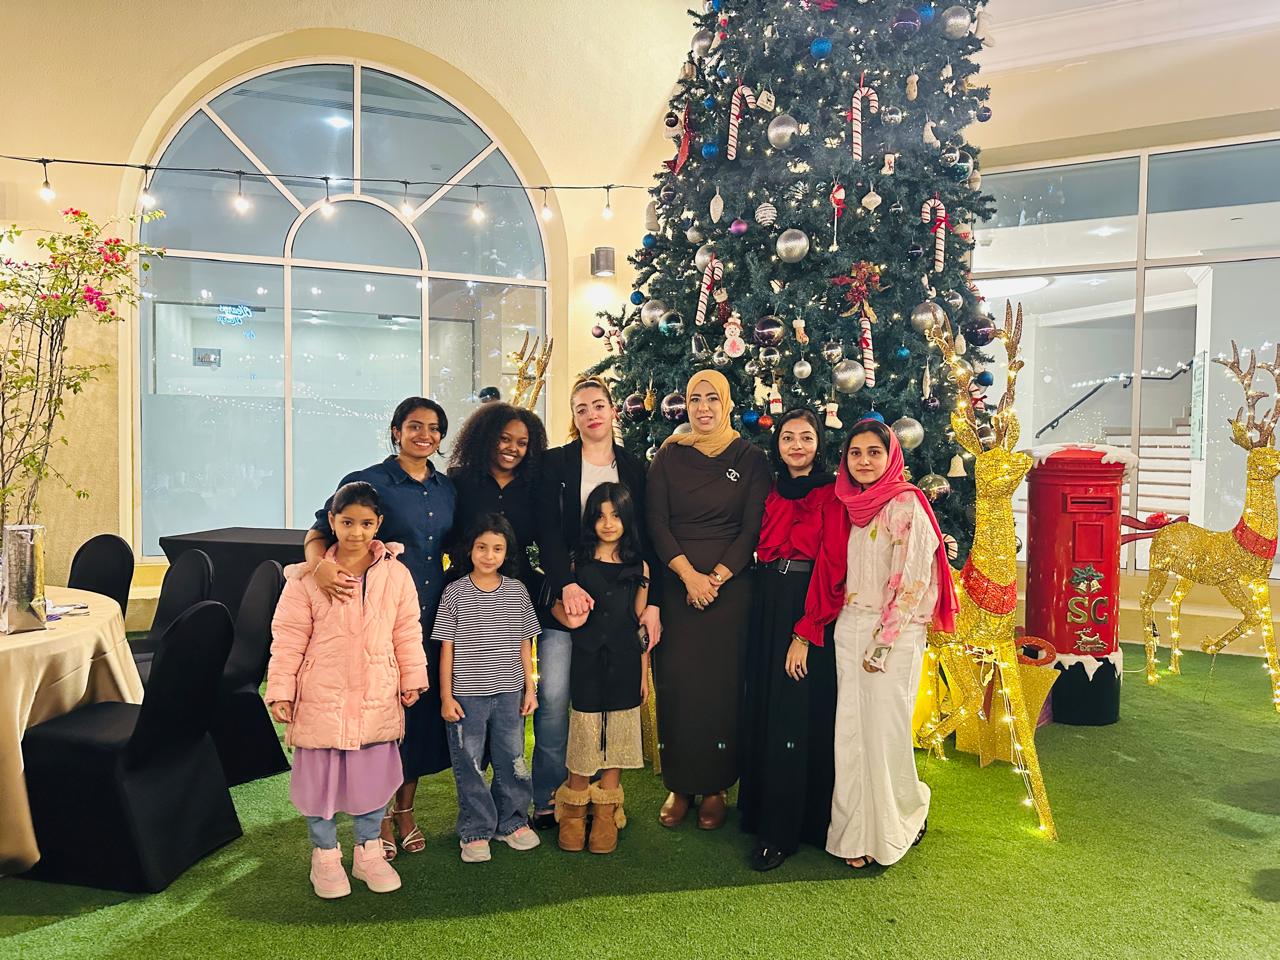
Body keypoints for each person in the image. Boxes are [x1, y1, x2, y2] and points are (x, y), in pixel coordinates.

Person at [795, 418, 959, 869]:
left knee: (885, 733)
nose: (864, 461)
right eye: (855, 453)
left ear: (891, 458)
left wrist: (883, 643)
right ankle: (854, 835)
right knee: (850, 733)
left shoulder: (906, 504)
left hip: (894, 634)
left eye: (874, 452)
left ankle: (896, 824)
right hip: (849, 627)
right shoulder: (849, 505)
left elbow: (912, 581)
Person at [302, 397, 455, 860]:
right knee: (381, 720)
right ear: (395, 431)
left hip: (431, 615)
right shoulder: (368, 481)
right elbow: (319, 531)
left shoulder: (446, 488)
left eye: (434, 428)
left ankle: (405, 810)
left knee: (418, 716)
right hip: (376, 619)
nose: (424, 435)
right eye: (414, 426)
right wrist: (318, 568)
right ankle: (377, 817)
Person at [267, 482, 428, 899]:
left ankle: (368, 852)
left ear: (379, 524)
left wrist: (412, 677)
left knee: (372, 780)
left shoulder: (395, 574)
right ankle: (325, 856)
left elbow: (407, 631)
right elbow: (288, 638)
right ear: (332, 522)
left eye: (366, 523)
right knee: (318, 784)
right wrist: (281, 690)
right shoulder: (306, 579)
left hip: (377, 697)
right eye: (347, 522)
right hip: (322, 699)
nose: (357, 532)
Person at [531, 375, 662, 830]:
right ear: (574, 416)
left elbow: (647, 536)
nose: (591, 414)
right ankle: (553, 797)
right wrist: (566, 583)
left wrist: (652, 603)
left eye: (598, 405)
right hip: (567, 591)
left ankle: (606, 797)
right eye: (581, 407)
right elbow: (548, 531)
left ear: (612, 410)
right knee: (555, 696)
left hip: (619, 592)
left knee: (612, 696)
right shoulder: (555, 464)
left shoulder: (633, 467)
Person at [646, 369, 770, 830]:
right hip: (677, 589)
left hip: (729, 591)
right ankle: (680, 785)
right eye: (695, 398)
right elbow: (656, 522)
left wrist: (714, 578)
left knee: (721, 689)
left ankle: (716, 786)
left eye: (712, 398)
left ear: (727, 404)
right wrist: (688, 577)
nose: (703, 407)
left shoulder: (750, 457)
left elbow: (752, 528)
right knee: (677, 686)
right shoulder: (669, 455)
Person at [738, 408, 838, 872]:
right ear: (777, 445)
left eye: (806, 437)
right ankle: (760, 813)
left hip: (806, 602)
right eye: (788, 438)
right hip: (766, 599)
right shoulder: (771, 489)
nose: (797, 445)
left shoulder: (832, 493)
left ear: (819, 444)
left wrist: (806, 630)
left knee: (792, 715)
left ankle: (784, 829)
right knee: (764, 705)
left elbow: (832, 567)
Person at [435, 513, 543, 863]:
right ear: (470, 549)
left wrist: (530, 689)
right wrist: (446, 696)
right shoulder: (454, 592)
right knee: (469, 764)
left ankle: (512, 822)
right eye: (481, 547)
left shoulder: (517, 591)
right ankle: (476, 829)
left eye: (497, 548)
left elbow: (526, 645)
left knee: (512, 759)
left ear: (507, 552)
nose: (488, 555)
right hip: (466, 697)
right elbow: (447, 648)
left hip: (509, 694)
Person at [549, 482, 651, 854]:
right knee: (585, 728)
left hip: (626, 657)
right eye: (601, 516)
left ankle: (607, 809)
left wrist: (643, 674)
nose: (608, 524)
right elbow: (556, 606)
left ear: (627, 519)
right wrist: (568, 617)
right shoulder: (575, 561)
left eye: (616, 516)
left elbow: (641, 623)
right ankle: (575, 807)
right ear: (590, 520)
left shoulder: (640, 565)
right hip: (586, 657)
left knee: (619, 731)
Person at [447, 401, 549, 612]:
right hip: (465, 590)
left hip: (519, 590)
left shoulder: (537, 487)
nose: (513, 448)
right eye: (504, 439)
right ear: (486, 438)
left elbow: (548, 539)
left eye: (522, 443)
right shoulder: (459, 481)